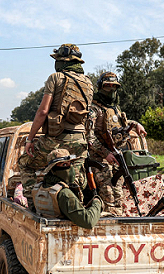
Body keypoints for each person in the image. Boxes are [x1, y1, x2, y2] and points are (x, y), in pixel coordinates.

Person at [18, 43, 94, 200]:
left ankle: (34, 203)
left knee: (25, 164)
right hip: (80, 141)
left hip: (56, 139)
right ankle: (75, 205)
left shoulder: (56, 78)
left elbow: (43, 112)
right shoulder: (89, 82)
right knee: (76, 176)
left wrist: (30, 139)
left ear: (64, 61)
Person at [86, 71, 147, 216]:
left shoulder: (115, 109)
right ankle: (107, 225)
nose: (111, 90)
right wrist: (106, 154)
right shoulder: (94, 110)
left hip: (115, 159)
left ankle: (118, 223)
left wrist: (136, 124)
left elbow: (121, 126)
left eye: (114, 86)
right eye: (108, 86)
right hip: (99, 160)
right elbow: (89, 138)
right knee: (108, 196)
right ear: (100, 87)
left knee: (119, 195)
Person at [32, 149, 103, 229]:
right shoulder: (64, 193)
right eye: (64, 165)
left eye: (71, 163)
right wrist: (97, 202)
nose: (70, 168)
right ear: (53, 169)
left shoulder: (39, 187)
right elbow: (88, 222)